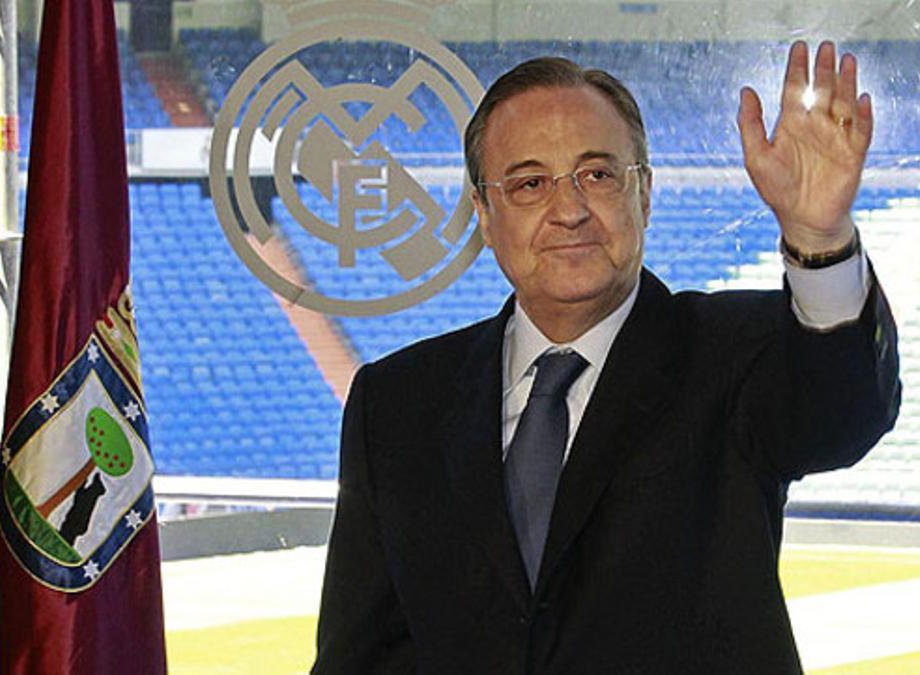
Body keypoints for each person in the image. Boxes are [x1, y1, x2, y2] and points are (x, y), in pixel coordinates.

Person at [312, 41, 900, 674]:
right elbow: (361, 656)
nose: (568, 211)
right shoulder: (397, 404)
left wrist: (819, 240)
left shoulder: (736, 356)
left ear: (644, 193)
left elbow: (841, 413)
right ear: (484, 214)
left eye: (597, 175)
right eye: (530, 183)